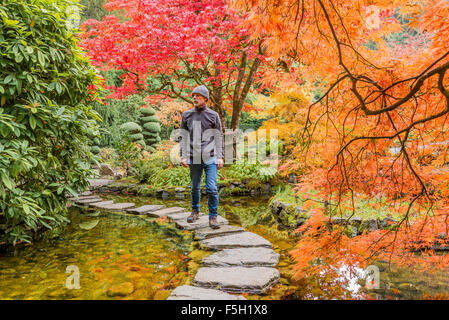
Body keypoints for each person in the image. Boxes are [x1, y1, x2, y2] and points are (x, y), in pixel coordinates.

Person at [179, 85, 224, 229]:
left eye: (198, 95)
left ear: (205, 98)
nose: (194, 98)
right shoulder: (187, 115)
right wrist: (184, 156)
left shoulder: (213, 115)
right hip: (194, 157)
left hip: (211, 157)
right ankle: (195, 212)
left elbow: (219, 137)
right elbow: (183, 137)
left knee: (211, 188)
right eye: (193, 95)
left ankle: (213, 217)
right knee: (195, 187)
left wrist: (220, 156)